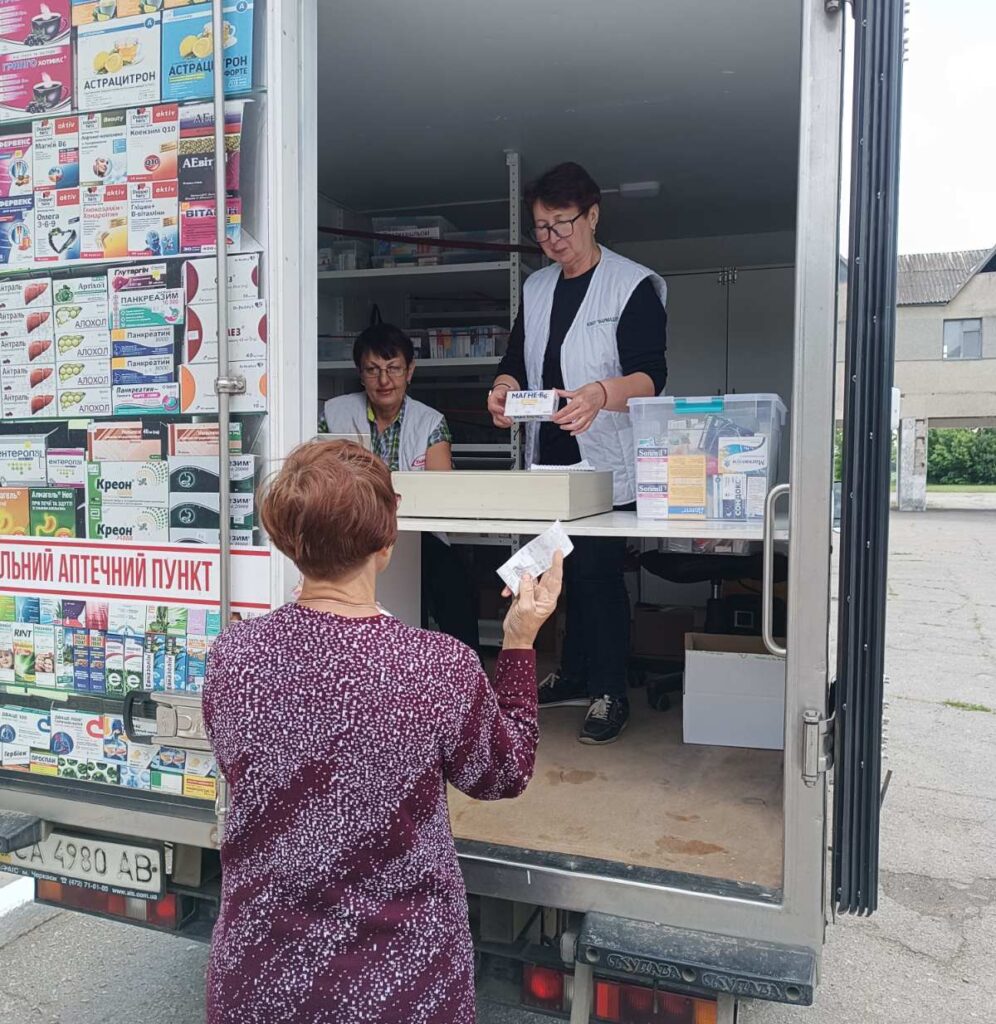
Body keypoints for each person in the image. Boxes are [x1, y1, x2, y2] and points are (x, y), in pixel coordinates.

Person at [203, 440, 563, 1024]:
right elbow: (504, 772)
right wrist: (519, 641)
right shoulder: (439, 666)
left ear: (287, 541)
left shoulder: (233, 654)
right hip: (405, 986)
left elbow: (237, 762)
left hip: (258, 977)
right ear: (386, 542)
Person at [489, 162, 668, 745]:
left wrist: (600, 394)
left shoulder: (633, 284)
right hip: (548, 458)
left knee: (595, 573)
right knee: (552, 572)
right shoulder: (537, 287)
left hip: (606, 461)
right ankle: (572, 673)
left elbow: (652, 376)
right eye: (540, 228)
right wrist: (504, 387)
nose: (552, 239)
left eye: (562, 224)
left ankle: (610, 688)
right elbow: (518, 357)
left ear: (593, 215)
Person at [324, 322, 481, 652]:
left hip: (417, 534)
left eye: (393, 368)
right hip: (353, 531)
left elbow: (439, 491)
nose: (384, 380)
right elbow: (324, 477)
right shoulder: (334, 413)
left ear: (409, 371)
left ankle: (467, 675)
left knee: (453, 585)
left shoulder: (430, 421)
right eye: (373, 370)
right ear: (360, 373)